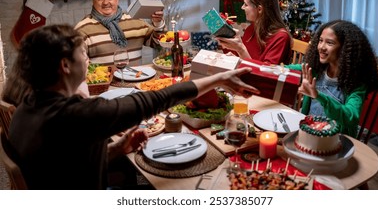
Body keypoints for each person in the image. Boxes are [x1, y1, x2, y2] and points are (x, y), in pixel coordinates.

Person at [8, 24, 259, 190]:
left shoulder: (27, 106)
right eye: (82, 54)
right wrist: (221, 78)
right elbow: (152, 100)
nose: (87, 60)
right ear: (65, 65)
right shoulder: (74, 115)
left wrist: (117, 149)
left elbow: (67, 166)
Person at [286, 20, 378, 137]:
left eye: (329, 43)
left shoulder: (356, 83)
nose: (321, 47)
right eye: (320, 41)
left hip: (336, 141)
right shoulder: (316, 69)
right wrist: (268, 68)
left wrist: (318, 96)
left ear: (345, 49)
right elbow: (288, 69)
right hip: (308, 132)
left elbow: (351, 116)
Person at [74, 0, 165, 66]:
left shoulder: (134, 20)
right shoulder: (83, 29)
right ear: (93, 2)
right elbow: (76, 63)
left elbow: (157, 44)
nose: (105, 2)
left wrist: (158, 23)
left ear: (116, 0)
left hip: (137, 80)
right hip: (104, 82)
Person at [216, 0, 292, 65]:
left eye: (245, 4)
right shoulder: (251, 29)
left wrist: (241, 49)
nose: (242, 7)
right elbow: (240, 58)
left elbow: (264, 75)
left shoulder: (281, 37)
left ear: (259, 9)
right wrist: (225, 38)